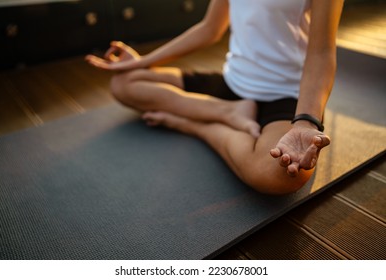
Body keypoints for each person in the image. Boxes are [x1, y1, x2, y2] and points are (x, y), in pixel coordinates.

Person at [86, 0, 344, 195]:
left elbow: (321, 52)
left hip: (287, 94)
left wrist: (306, 121)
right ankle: (226, 112)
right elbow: (210, 28)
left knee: (283, 175)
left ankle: (195, 124)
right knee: (124, 83)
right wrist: (143, 62)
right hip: (233, 82)